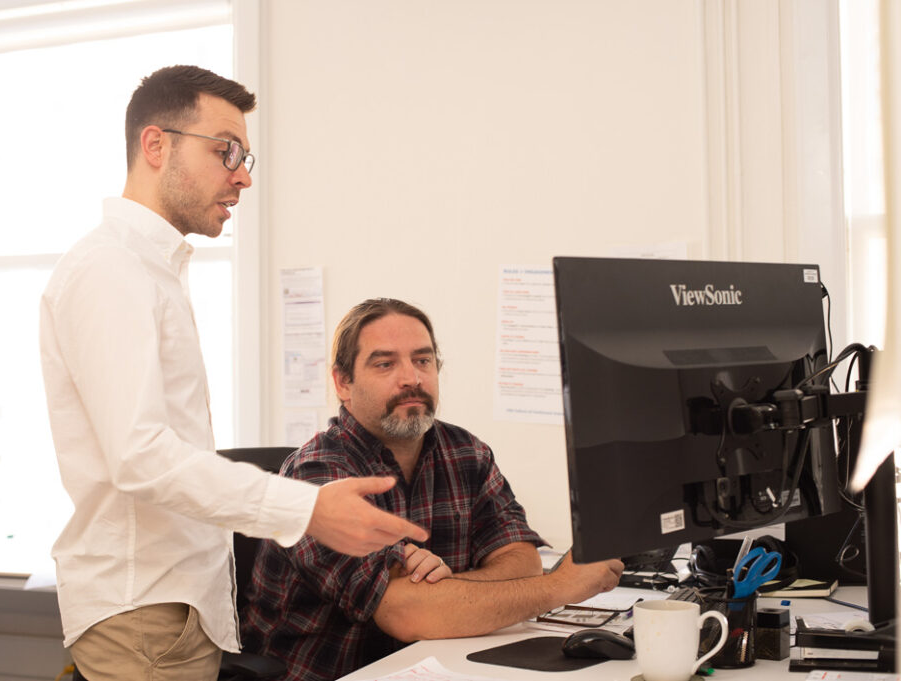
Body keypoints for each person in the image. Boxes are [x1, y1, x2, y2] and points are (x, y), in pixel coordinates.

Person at [39, 67, 428, 681]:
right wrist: (307, 510)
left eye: (245, 155)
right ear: (156, 145)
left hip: (174, 612)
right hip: (146, 616)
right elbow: (139, 456)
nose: (243, 174)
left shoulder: (150, 268)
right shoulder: (112, 269)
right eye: (227, 151)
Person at [241, 298, 625, 681]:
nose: (411, 378)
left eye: (423, 360)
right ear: (343, 382)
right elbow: (405, 613)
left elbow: (521, 562)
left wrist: (438, 594)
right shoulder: (316, 475)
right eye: (385, 363)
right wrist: (559, 587)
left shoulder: (465, 452)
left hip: (437, 667)